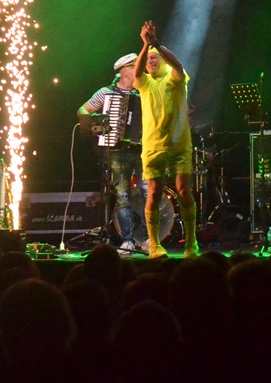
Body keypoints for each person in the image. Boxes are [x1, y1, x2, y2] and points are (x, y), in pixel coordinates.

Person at [133, 20, 198, 260]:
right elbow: (136, 72)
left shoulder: (175, 78)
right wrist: (145, 45)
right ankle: (154, 245)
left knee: (183, 190)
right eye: (148, 59)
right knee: (154, 193)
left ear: (162, 60)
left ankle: (191, 244)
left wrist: (156, 44)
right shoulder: (145, 83)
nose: (150, 62)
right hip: (153, 147)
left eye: (154, 58)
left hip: (179, 145)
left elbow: (177, 65)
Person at [78, 53, 145, 253]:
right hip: (116, 151)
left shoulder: (144, 92)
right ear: (124, 70)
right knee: (122, 196)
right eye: (134, 67)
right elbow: (83, 110)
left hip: (142, 149)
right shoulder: (106, 93)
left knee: (147, 191)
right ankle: (127, 240)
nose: (139, 70)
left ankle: (150, 238)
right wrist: (97, 121)